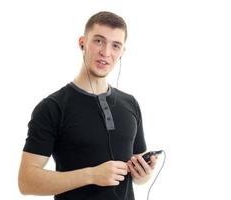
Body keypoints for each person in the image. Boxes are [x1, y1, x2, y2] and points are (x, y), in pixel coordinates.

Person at [18, 11, 157, 200]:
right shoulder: (52, 107)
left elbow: (138, 177)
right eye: (99, 41)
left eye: (115, 45)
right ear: (82, 42)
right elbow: (26, 181)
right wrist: (91, 175)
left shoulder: (130, 103)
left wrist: (143, 174)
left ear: (122, 52)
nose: (106, 53)